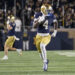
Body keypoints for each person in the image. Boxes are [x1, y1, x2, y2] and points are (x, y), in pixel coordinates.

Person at [33, 4, 58, 71]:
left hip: (47, 35)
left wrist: (55, 31)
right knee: (40, 52)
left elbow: (55, 22)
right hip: (38, 36)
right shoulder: (38, 15)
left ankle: (45, 63)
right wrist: (39, 21)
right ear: (43, 10)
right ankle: (45, 60)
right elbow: (34, 26)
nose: (49, 12)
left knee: (42, 45)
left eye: (49, 10)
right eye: (48, 10)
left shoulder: (51, 16)